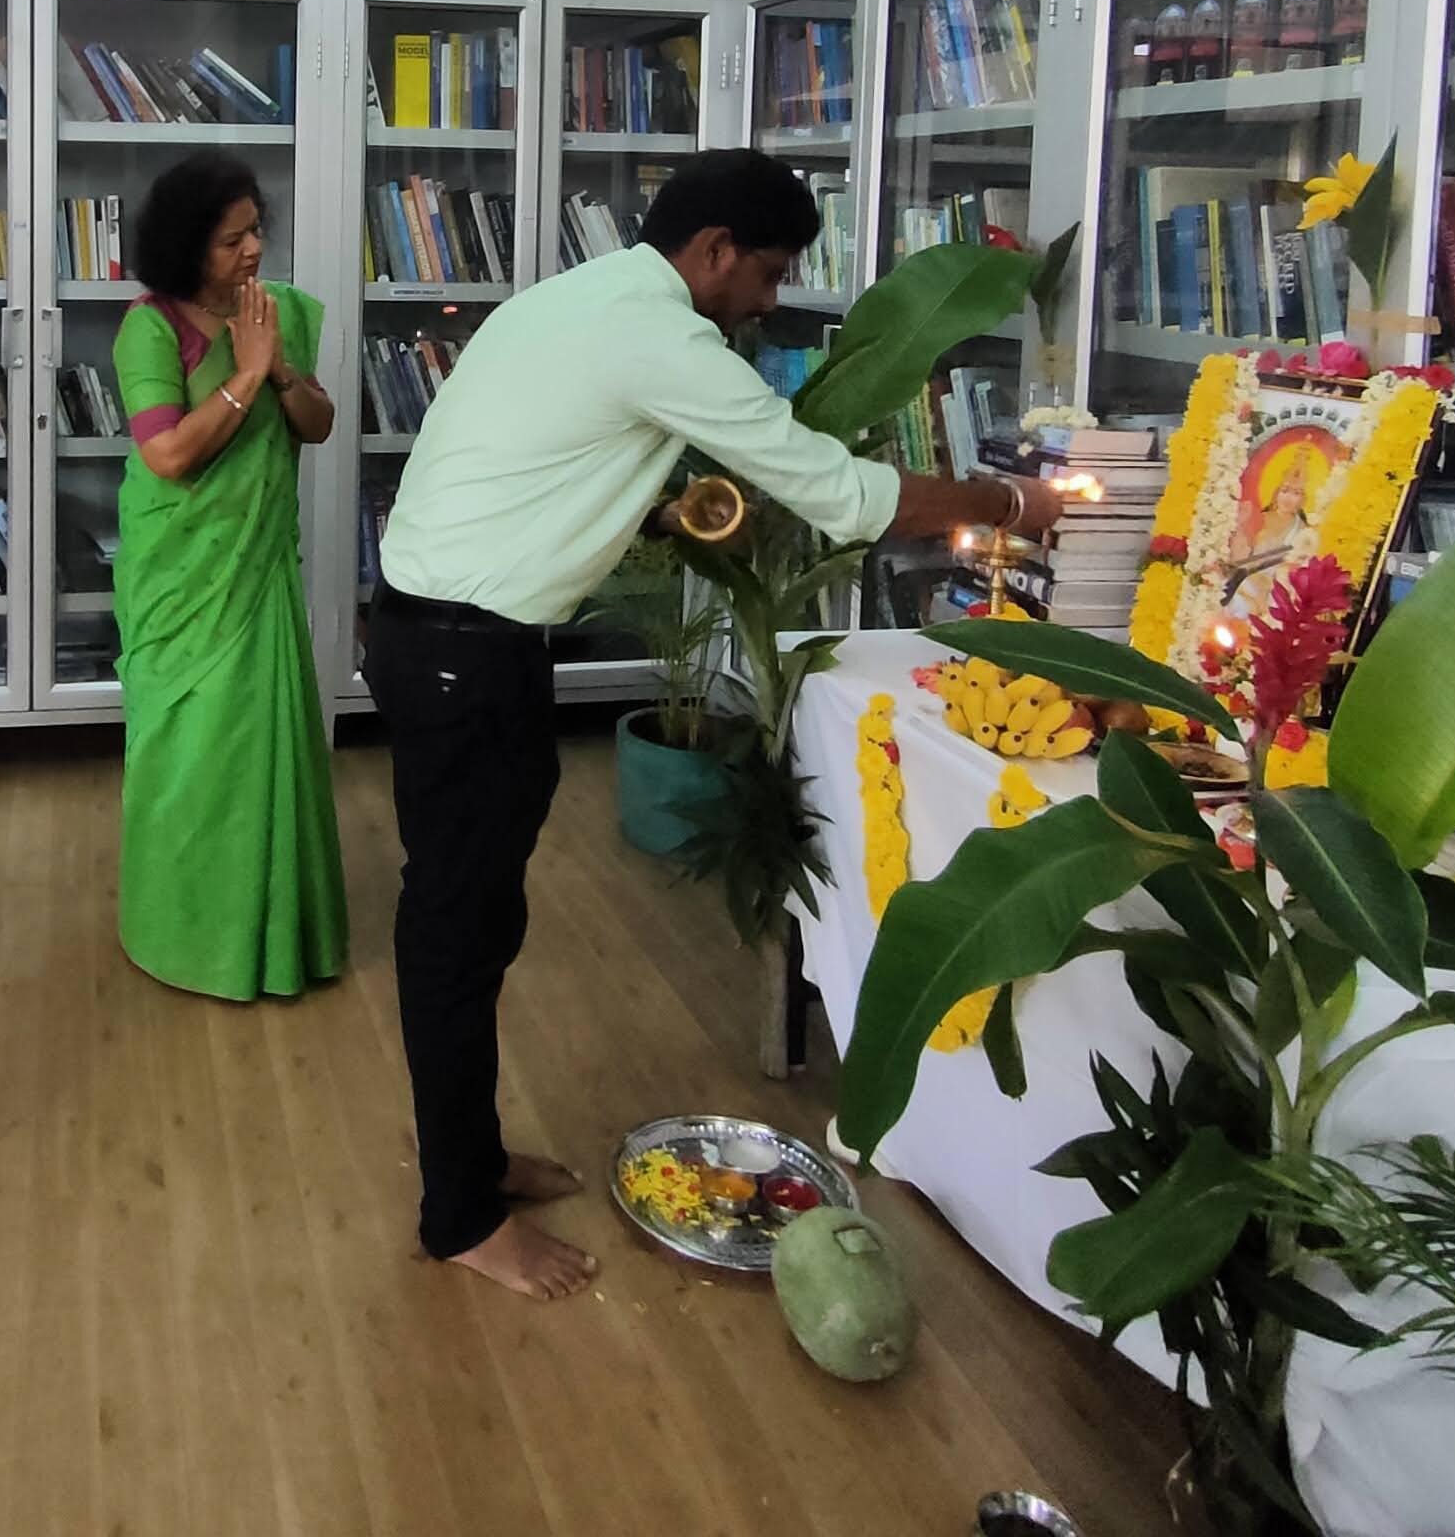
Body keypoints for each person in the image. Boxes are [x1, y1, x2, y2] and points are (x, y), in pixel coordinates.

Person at [368, 148, 1066, 1299]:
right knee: (453, 932)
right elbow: (837, 491)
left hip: (451, 639)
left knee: (480, 923)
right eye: (769, 273)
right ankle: (457, 1218)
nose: (771, 301)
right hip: (462, 658)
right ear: (714, 253)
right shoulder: (662, 337)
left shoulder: (582, 295)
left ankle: (474, 1161)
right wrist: (1007, 503)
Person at [111, 152, 345, 1000]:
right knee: (188, 752)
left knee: (259, 747)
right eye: (229, 240)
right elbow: (167, 454)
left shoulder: (275, 311)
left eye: (254, 232)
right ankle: (178, 930)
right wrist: (246, 372)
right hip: (183, 571)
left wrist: (278, 365)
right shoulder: (150, 326)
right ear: (184, 248)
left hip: (256, 571)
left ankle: (275, 933)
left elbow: (317, 424)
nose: (251, 251)